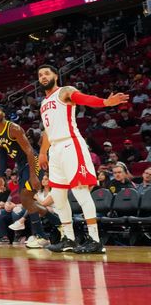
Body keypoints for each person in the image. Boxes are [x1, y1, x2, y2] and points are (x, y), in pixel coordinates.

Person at [37, 64, 129, 254]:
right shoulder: (43, 103)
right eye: (40, 75)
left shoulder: (65, 91)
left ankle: (95, 240)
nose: (43, 77)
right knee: (59, 197)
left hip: (71, 145)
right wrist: (42, 153)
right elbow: (47, 131)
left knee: (80, 192)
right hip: (54, 149)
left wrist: (105, 102)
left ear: (55, 75)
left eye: (47, 73)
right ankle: (68, 239)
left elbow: (84, 99)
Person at [0, 105, 49, 248]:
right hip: (22, 165)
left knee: (26, 198)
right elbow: (3, 156)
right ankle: (55, 221)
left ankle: (41, 236)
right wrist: (0, 174)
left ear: (4, 113)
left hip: (33, 161)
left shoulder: (13, 128)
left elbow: (29, 151)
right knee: (26, 200)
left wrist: (34, 175)